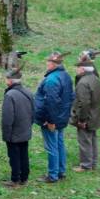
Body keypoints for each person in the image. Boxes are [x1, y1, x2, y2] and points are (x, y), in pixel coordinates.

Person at [34, 52, 75, 183]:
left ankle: (53, 175)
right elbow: (70, 98)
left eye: (48, 62)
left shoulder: (51, 80)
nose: (47, 64)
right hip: (62, 117)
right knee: (59, 144)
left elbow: (51, 102)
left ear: (52, 64)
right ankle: (61, 171)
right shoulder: (66, 76)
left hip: (52, 119)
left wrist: (50, 121)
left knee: (52, 147)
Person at [0, 65, 34, 187]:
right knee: (24, 154)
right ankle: (24, 177)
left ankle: (15, 179)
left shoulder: (10, 95)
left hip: (14, 132)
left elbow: (7, 118)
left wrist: (6, 134)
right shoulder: (28, 92)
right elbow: (33, 112)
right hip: (25, 130)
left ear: (10, 80)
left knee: (14, 156)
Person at [70, 59, 100, 172]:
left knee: (84, 140)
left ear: (82, 69)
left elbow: (83, 103)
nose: (76, 69)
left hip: (87, 116)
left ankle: (85, 165)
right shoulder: (95, 79)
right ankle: (93, 163)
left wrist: (82, 119)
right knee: (93, 138)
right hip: (95, 113)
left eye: (78, 67)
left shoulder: (83, 83)